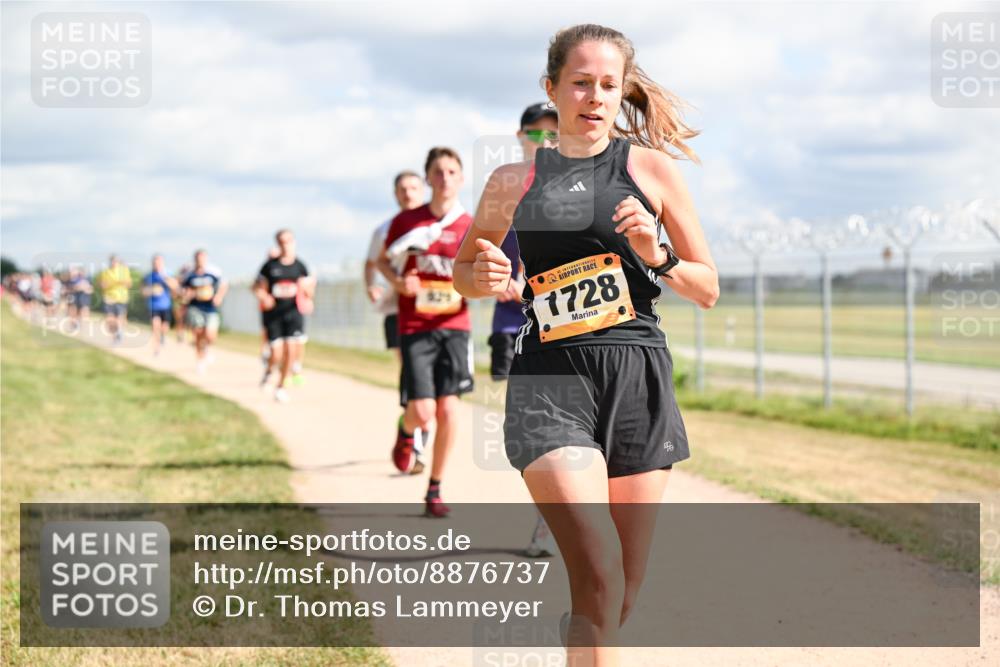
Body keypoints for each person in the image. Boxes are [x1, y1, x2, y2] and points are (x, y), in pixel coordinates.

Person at [453, 24, 718, 662]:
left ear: (622, 90)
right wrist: (481, 277)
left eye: (608, 84)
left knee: (621, 587)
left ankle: (583, 636)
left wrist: (658, 257)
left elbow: (706, 286)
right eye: (580, 82)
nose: (594, 96)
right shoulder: (511, 181)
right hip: (551, 378)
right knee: (597, 568)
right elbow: (466, 270)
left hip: (636, 376)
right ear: (552, 89)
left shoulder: (649, 169)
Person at [377, 147, 474, 517]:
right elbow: (383, 262)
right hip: (415, 326)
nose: (445, 178)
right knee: (422, 410)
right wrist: (400, 283)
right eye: (438, 171)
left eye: (452, 171)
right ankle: (406, 430)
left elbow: (480, 274)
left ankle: (435, 487)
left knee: (449, 411)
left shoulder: (469, 225)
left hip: (454, 326)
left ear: (461, 178)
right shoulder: (407, 222)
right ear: (428, 178)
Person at [365, 170, 428, 473]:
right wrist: (371, 286)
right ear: (395, 194)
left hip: (433, 313)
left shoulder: (434, 225)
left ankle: (416, 432)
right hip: (396, 310)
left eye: (414, 187)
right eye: (402, 188)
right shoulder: (385, 229)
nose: (408, 193)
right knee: (412, 370)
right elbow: (372, 261)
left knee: (424, 378)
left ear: (423, 189)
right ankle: (413, 429)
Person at [254, 229, 313, 403]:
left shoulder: (300, 266)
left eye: (288, 241)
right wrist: (264, 297)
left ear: (293, 242)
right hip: (274, 315)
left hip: (293, 312)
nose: (285, 244)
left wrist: (305, 290)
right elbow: (257, 287)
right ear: (278, 243)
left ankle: (281, 387)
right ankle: (269, 371)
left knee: (291, 350)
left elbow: (309, 291)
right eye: (282, 241)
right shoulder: (270, 266)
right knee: (276, 353)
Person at [182, 250, 228, 374]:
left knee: (210, 336)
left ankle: (207, 348)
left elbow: (223, 285)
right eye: (198, 258)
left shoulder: (212, 274)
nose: (200, 261)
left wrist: (219, 296)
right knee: (198, 334)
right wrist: (187, 295)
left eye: (203, 258)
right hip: (195, 308)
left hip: (210, 309)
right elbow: (184, 291)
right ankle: (200, 361)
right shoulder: (190, 276)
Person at [142, 254, 179, 356]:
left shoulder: (168, 274)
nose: (157, 265)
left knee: (165, 328)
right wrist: (151, 291)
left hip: (166, 306)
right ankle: (156, 349)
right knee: (155, 326)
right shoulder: (148, 276)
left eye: (159, 262)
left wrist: (166, 279)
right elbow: (143, 291)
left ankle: (163, 336)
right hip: (153, 306)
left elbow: (175, 287)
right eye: (155, 263)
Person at [98, 255, 132, 345]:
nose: (114, 263)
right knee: (109, 320)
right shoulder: (106, 272)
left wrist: (122, 282)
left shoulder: (124, 270)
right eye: (112, 261)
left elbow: (129, 284)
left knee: (119, 319)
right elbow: (102, 285)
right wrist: (109, 284)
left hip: (121, 298)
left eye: (116, 261)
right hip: (109, 298)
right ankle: (115, 337)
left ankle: (119, 332)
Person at [66, 267, 93, 333]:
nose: (82, 274)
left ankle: (77, 325)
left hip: (83, 298)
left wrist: (87, 289)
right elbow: (71, 288)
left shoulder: (88, 280)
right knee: (74, 312)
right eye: (80, 272)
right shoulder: (75, 279)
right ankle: (73, 325)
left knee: (81, 313)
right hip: (75, 298)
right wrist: (77, 288)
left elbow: (91, 289)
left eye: (83, 272)